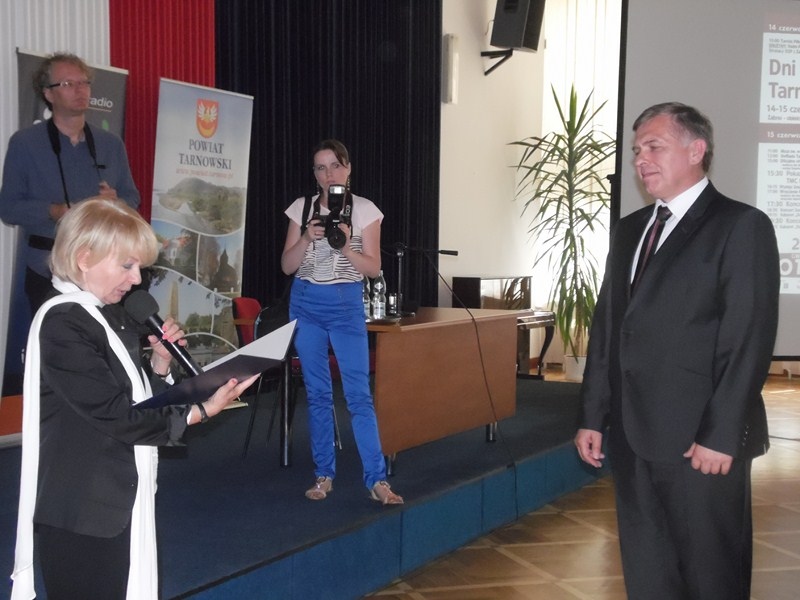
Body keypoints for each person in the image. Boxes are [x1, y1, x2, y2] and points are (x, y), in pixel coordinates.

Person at [575, 102, 779, 599]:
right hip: (631, 436)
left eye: (654, 146)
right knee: (648, 572)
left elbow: (747, 339)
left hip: (700, 443)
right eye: (636, 150)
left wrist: (721, 434)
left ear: (696, 150)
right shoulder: (630, 229)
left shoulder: (740, 225)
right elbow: (609, 328)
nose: (640, 159)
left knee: (711, 576)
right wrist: (593, 415)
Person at [10, 198, 258, 599]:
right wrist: (197, 411)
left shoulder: (102, 316)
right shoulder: (63, 322)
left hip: (113, 503)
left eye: (139, 267)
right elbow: (117, 415)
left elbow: (131, 399)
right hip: (84, 514)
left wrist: (159, 366)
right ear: (84, 257)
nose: (136, 279)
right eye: (127, 265)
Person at [281, 139, 403, 505]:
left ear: (348, 169)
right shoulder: (301, 208)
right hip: (306, 303)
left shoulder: (365, 210)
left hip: (345, 304)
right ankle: (324, 474)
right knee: (318, 394)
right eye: (321, 168)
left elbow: (374, 268)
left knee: (359, 395)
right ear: (314, 174)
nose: (328, 174)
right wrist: (306, 236)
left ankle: (377, 479)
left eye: (335, 165)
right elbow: (287, 266)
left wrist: (346, 246)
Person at [0, 52, 140, 313]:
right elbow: (8, 208)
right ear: (48, 94)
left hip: (105, 268)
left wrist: (116, 204)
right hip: (46, 267)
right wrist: (54, 211)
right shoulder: (25, 143)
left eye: (84, 82)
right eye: (68, 84)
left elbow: (132, 198)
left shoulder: (110, 144)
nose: (80, 90)